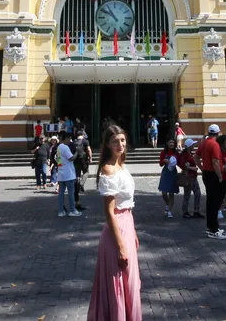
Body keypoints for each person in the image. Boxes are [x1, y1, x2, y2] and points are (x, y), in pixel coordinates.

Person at [87, 125, 142, 321]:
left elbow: (127, 205)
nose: (120, 144)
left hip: (127, 224)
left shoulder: (122, 166)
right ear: (108, 145)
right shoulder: (108, 170)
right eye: (115, 141)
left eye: (123, 140)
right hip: (116, 230)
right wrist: (120, 245)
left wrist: (133, 232)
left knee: (130, 282)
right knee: (118, 283)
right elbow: (109, 212)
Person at [196, 124, 226, 239]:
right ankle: (214, 229)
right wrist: (219, 176)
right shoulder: (214, 144)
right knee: (215, 202)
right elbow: (215, 162)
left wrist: (202, 168)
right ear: (218, 133)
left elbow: (196, 157)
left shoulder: (204, 142)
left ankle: (211, 227)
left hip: (206, 173)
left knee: (211, 201)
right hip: (213, 174)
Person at [56, 132, 81, 217]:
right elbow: (71, 158)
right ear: (65, 138)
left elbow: (58, 161)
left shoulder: (58, 147)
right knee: (71, 192)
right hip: (68, 173)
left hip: (61, 173)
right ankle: (72, 210)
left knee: (61, 193)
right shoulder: (65, 147)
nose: (69, 141)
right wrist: (77, 152)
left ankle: (61, 211)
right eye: (68, 139)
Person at [179, 138, 204, 219]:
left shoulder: (190, 153)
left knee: (197, 194)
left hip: (193, 177)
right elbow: (183, 165)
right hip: (189, 177)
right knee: (187, 195)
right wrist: (192, 168)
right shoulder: (185, 155)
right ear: (190, 146)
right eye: (193, 144)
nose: (194, 145)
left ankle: (196, 211)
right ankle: (185, 211)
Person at [158, 139, 180, 218]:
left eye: (173, 143)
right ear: (167, 143)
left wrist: (185, 169)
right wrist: (164, 160)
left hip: (173, 173)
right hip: (166, 173)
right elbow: (160, 164)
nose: (172, 144)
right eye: (170, 142)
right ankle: (168, 203)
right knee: (164, 193)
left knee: (171, 193)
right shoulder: (163, 152)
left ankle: (169, 211)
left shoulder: (176, 153)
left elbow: (180, 163)